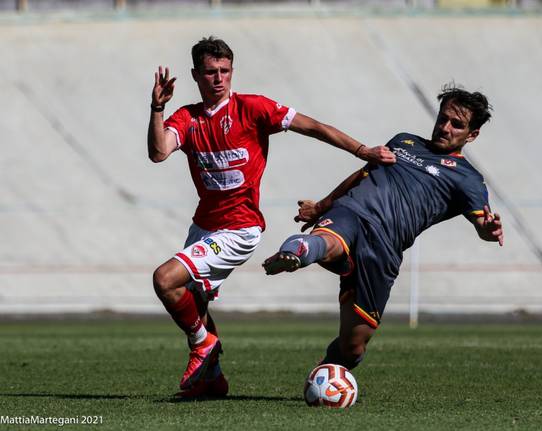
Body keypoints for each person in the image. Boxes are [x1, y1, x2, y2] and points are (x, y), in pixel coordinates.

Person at [147, 36, 395, 398]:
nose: (219, 78)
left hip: (240, 227)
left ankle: (204, 347)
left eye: (225, 71)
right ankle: (211, 379)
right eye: (210, 72)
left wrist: (362, 150)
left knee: (165, 279)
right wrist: (157, 109)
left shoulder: (254, 108)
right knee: (194, 301)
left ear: (232, 72)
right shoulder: (188, 118)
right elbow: (158, 152)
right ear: (195, 75)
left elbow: (314, 127)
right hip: (204, 226)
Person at [263, 85, 503, 372]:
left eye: (456, 124)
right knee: (328, 241)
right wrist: (321, 207)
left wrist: (490, 230)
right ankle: (299, 250)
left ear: (472, 134)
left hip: (384, 250)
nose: (444, 127)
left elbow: (482, 226)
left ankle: (327, 372)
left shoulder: (468, 180)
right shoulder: (404, 142)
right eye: (442, 118)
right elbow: (363, 174)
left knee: (353, 347)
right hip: (353, 212)